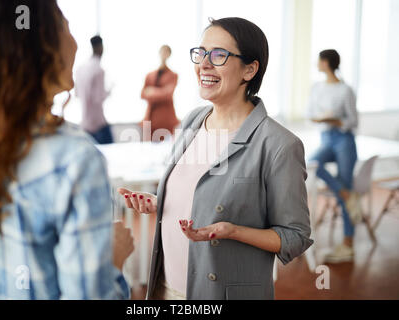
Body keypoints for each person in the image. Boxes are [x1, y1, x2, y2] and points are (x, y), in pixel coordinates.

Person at [0, 0, 133, 300]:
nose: (74, 41)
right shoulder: (74, 159)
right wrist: (111, 262)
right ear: (40, 46)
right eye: (66, 26)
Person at [119, 17, 313, 300]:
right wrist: (162, 205)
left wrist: (233, 231)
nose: (204, 64)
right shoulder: (192, 121)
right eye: (201, 53)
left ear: (250, 69)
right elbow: (204, 198)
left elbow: (295, 236)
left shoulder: (279, 144)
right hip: (164, 287)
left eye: (219, 55)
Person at [307, 49, 360, 263]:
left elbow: (353, 121)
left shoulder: (345, 90)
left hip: (344, 139)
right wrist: (321, 120)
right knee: (312, 163)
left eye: (319, 60)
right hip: (326, 138)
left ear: (326, 63)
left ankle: (348, 244)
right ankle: (346, 194)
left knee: (345, 184)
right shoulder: (316, 88)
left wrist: (336, 120)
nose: (317, 63)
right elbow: (309, 115)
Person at [76, 35, 113, 144]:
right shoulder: (99, 70)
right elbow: (99, 98)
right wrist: (109, 90)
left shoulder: (80, 69)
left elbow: (77, 94)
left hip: (84, 124)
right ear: (100, 47)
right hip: (97, 124)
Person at [140, 45, 179, 140]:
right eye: (162, 51)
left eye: (166, 52)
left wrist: (151, 91)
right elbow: (143, 94)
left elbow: (167, 95)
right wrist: (161, 92)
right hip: (150, 118)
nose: (164, 54)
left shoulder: (173, 75)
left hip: (165, 119)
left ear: (169, 55)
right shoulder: (149, 75)